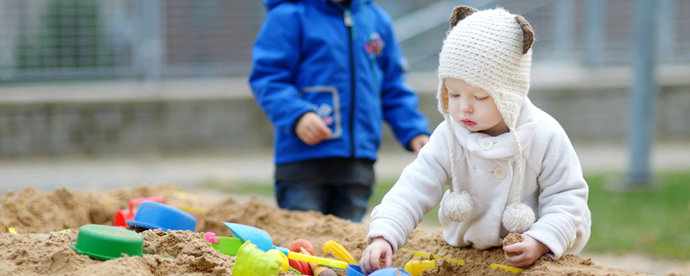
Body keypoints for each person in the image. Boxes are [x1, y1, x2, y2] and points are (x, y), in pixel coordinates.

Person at [360, 5, 591, 273]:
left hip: (532, 255)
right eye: (453, 94)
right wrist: (384, 234)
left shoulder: (545, 135)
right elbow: (414, 186)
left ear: (509, 93)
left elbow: (567, 195)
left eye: (479, 97)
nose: (463, 108)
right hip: (466, 251)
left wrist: (541, 239)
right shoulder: (449, 135)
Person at [248, 0, 431, 223]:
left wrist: (414, 131)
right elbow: (269, 77)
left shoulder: (376, 20)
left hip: (357, 164)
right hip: (303, 163)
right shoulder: (289, 16)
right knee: (303, 242)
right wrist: (298, 115)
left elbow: (393, 86)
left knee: (347, 242)